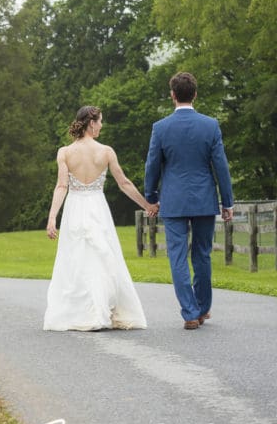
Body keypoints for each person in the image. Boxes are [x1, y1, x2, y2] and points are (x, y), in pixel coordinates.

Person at [44, 106, 155, 331]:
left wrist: (52, 217)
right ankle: (101, 310)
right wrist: (147, 206)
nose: (102, 125)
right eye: (100, 121)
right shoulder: (106, 151)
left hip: (75, 207)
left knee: (77, 259)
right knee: (102, 257)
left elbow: (62, 186)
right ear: (91, 123)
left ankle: (82, 312)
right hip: (96, 207)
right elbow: (124, 183)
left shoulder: (64, 152)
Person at [144, 71, 234, 331]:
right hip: (204, 199)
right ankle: (203, 308)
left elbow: (152, 166)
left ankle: (190, 312)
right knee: (202, 254)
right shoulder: (210, 125)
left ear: (173, 95)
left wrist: (151, 197)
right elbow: (221, 167)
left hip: (173, 202)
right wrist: (227, 202)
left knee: (178, 256)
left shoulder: (160, 128)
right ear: (195, 94)